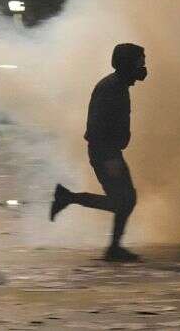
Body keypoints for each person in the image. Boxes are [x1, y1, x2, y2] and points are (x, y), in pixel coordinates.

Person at [49, 43, 147, 262]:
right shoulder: (111, 88)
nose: (143, 67)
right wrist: (109, 157)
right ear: (127, 64)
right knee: (124, 200)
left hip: (108, 151)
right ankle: (69, 198)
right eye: (139, 62)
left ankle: (112, 245)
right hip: (105, 153)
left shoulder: (118, 86)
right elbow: (96, 125)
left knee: (124, 200)